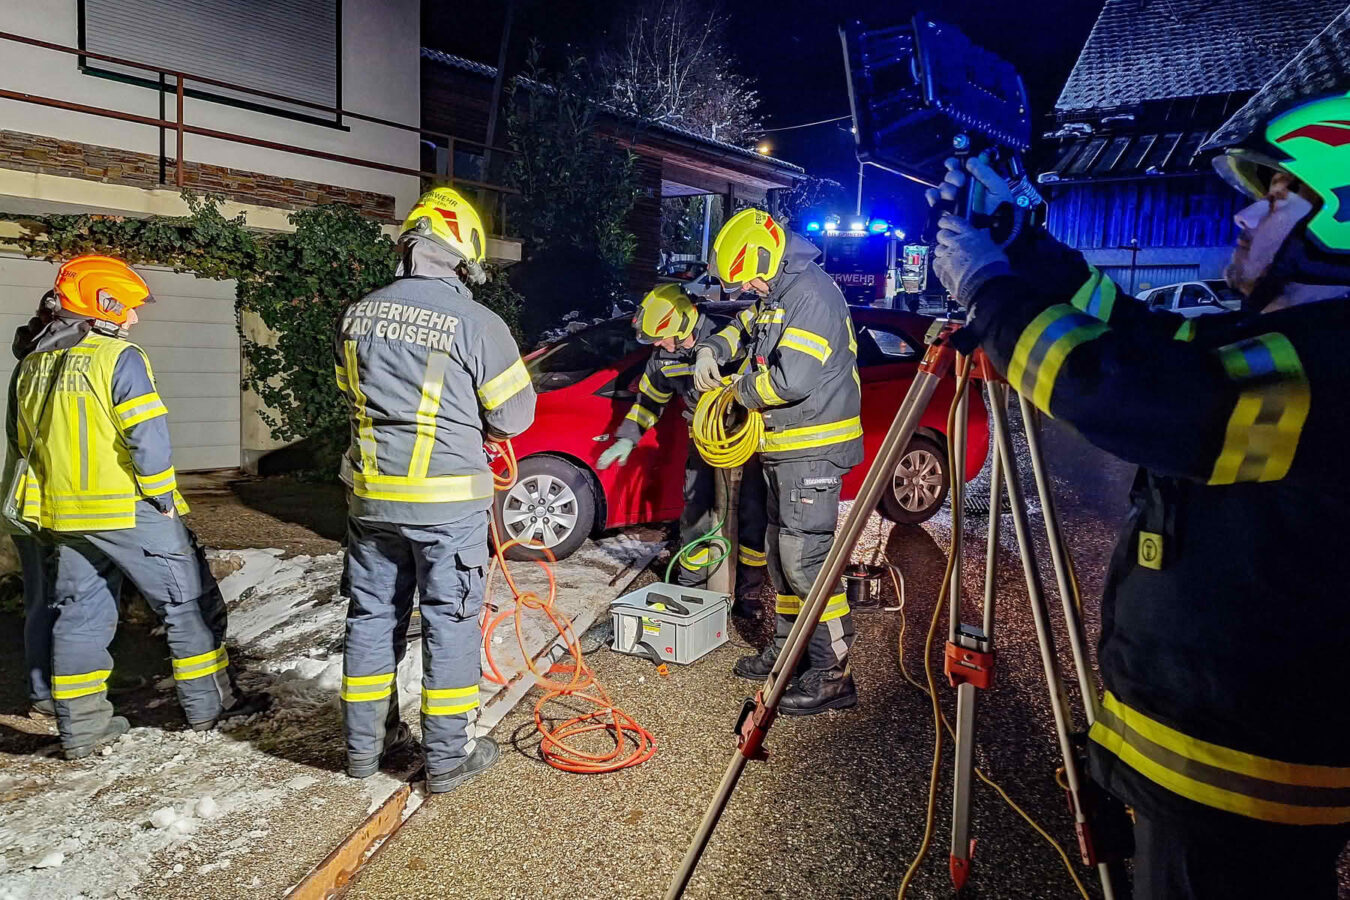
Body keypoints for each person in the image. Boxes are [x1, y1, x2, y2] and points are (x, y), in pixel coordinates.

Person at [927, 26, 1350, 899]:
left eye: (1274, 196)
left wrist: (989, 292)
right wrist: (1022, 242)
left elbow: (1134, 393)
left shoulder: (1332, 367)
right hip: (1211, 764)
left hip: (1238, 789)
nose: (1241, 212)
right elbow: (1146, 339)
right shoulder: (1286, 344)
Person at [335, 186, 535, 793]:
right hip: (447, 506)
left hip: (370, 499)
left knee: (371, 618)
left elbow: (353, 395)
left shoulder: (357, 313)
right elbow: (516, 414)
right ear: (464, 255)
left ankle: (363, 750)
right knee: (450, 621)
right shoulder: (475, 321)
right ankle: (448, 759)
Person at [11, 256, 243, 759]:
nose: (134, 319)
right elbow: (147, 438)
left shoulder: (31, 362)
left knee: (79, 614)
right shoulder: (118, 358)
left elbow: (22, 439)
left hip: (65, 515)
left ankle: (83, 730)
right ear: (102, 303)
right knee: (186, 604)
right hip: (127, 507)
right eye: (128, 307)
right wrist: (161, 498)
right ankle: (210, 708)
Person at [694, 208, 863, 715]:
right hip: (783, 449)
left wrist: (732, 389)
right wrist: (710, 349)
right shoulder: (779, 292)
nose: (751, 288)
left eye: (750, 279)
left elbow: (790, 382)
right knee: (779, 554)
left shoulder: (809, 296)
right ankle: (791, 651)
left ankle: (833, 673)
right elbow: (742, 326)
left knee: (804, 559)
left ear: (768, 259)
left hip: (811, 449)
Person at [595, 283, 768, 618]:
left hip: (744, 443)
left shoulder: (726, 336)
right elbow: (648, 401)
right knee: (695, 518)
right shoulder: (663, 359)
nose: (658, 344)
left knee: (752, 517)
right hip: (702, 445)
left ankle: (748, 595)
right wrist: (628, 437)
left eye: (663, 337)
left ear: (685, 322)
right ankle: (691, 590)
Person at [3, 304, 57, 719]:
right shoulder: (45, 369)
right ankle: (46, 691)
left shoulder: (30, 364)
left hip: (26, 502)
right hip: (42, 504)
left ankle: (61, 682)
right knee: (51, 598)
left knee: (48, 596)